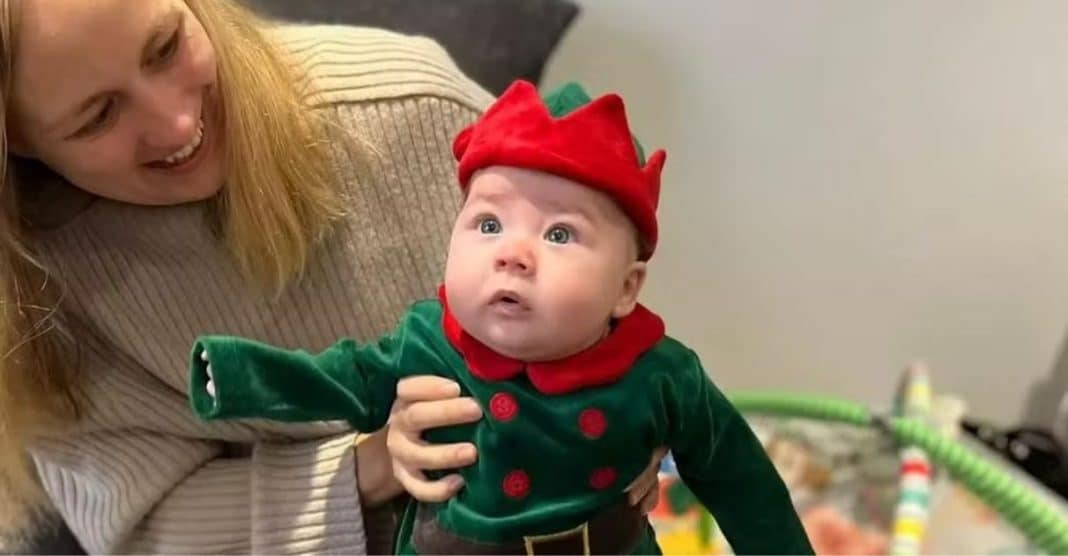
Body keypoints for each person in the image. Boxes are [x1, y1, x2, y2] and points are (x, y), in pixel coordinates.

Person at [0, 0, 663, 553]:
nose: (176, 122)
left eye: (166, 46)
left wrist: (630, 414)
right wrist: (364, 468)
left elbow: (600, 307)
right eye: (99, 116)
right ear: (18, 141)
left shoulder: (409, 109)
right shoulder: (35, 298)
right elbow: (140, 529)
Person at [187, 80, 814, 555]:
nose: (513, 253)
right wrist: (240, 374)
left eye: (560, 234)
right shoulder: (426, 342)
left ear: (626, 289)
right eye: (488, 224)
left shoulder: (661, 375)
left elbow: (741, 477)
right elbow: (340, 378)